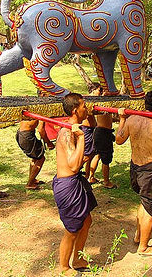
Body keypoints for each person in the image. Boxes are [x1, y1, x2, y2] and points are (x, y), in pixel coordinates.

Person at [115, 89, 152, 255]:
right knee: (150, 208)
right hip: (150, 171)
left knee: (144, 202)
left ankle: (138, 236)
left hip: (135, 168)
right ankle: (143, 247)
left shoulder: (132, 119)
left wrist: (122, 120)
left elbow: (118, 139)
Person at [53, 93, 97, 275]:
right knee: (72, 229)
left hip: (76, 181)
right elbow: (73, 165)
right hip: (67, 185)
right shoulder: (67, 133)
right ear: (74, 110)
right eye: (83, 106)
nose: (86, 108)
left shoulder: (74, 128)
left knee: (86, 220)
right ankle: (64, 267)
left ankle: (77, 259)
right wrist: (81, 138)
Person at [16, 96, 55, 190]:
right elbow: (41, 130)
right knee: (41, 159)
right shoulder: (39, 109)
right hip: (26, 136)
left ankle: (32, 179)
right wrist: (49, 143)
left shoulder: (31, 106)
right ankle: (30, 183)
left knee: (35, 158)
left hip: (21, 134)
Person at [88, 85, 117, 189]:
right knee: (106, 159)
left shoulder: (104, 103)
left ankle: (91, 177)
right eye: (102, 90)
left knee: (98, 155)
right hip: (103, 133)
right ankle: (106, 182)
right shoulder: (101, 102)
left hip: (101, 132)